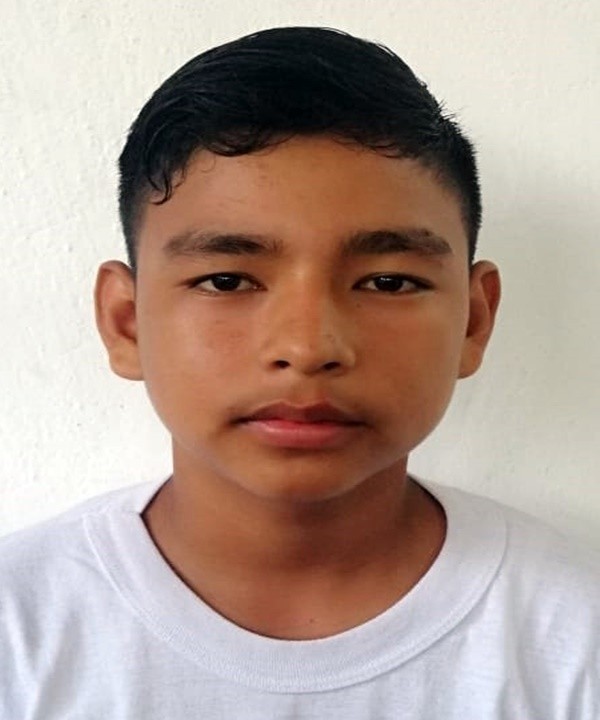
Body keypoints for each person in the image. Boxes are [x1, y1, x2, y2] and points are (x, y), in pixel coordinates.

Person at [1, 26, 598, 719]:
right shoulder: (20, 630)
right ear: (126, 322)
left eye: (387, 282)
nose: (308, 347)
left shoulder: (574, 632)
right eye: (227, 280)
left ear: (473, 321)